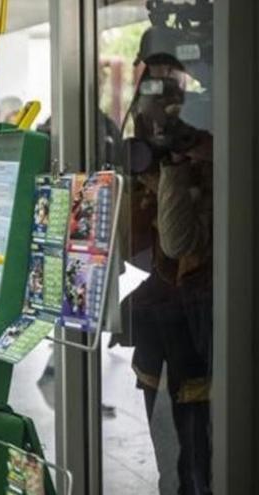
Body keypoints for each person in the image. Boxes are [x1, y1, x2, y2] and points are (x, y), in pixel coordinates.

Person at [124, 21, 213, 495]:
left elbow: (181, 243)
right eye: (151, 86)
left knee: (201, 462)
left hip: (204, 324)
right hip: (163, 322)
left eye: (173, 86)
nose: (162, 102)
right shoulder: (140, 145)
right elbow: (131, 243)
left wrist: (182, 164)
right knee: (171, 460)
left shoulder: (211, 131)